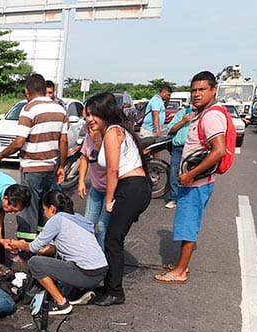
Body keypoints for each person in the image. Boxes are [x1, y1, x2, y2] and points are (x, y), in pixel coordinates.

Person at [155, 71, 227, 284]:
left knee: (188, 226)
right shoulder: (200, 113)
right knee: (186, 224)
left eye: (202, 89)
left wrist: (191, 175)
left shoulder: (212, 115)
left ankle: (180, 271)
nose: (196, 94)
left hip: (196, 182)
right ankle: (180, 265)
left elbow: (219, 150)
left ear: (213, 90)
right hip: (194, 181)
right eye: (193, 90)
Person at [85, 92, 152, 306]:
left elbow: (113, 170)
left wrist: (109, 200)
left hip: (131, 189)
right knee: (112, 238)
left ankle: (115, 292)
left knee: (113, 240)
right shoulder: (112, 131)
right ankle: (109, 285)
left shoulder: (113, 132)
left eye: (94, 114)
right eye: (87, 114)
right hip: (132, 188)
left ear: (105, 113)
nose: (89, 119)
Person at [0, 74, 68, 243]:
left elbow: (19, 142)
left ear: (27, 92)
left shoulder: (29, 109)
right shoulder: (60, 109)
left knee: (27, 209)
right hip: (51, 167)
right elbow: (63, 141)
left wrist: (1, 154)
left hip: (32, 168)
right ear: (44, 90)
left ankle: (24, 248)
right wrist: (62, 166)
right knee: (45, 208)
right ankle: (43, 244)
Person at [9, 190, 108, 315]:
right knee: (56, 261)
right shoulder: (78, 218)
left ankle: (61, 303)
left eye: (44, 210)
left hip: (86, 274)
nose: (44, 215)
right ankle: (77, 293)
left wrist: (19, 244)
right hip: (101, 271)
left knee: (35, 263)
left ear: (52, 208)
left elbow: (33, 247)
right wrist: (47, 249)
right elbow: (64, 245)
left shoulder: (56, 220)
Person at [77, 114, 108, 248]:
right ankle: (86, 253)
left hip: (112, 190)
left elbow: (109, 161)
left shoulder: (111, 135)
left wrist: (99, 142)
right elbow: (84, 158)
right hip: (96, 188)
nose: (89, 120)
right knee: (87, 223)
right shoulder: (88, 137)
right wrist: (81, 181)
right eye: (87, 117)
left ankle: (102, 259)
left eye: (93, 116)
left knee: (102, 226)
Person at [163, 102, 193, 209]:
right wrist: (184, 121)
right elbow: (171, 129)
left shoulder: (203, 115)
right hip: (178, 148)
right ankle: (174, 198)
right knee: (174, 173)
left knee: (192, 174)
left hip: (193, 150)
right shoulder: (181, 113)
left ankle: (188, 198)